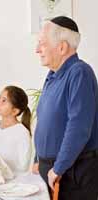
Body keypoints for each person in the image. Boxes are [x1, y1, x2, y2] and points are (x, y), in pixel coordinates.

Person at [35, 16, 98, 199]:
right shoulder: (52, 76)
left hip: (73, 173)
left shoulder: (79, 72)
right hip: (55, 170)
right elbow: (45, 121)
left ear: (62, 47)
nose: (37, 50)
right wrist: (37, 159)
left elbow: (78, 128)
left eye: (42, 43)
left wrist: (59, 167)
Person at [0, 86, 32, 173]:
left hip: (14, 181)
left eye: (4, 100)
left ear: (15, 111)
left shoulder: (22, 133)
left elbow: (23, 167)